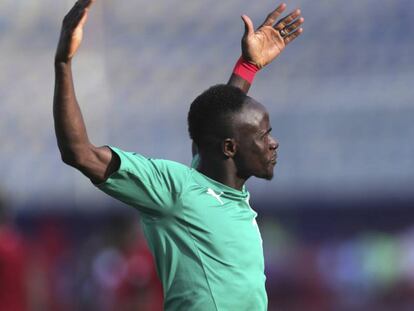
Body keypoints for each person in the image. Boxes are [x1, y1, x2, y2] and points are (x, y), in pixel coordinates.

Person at [53, 0, 304, 310]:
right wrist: (63, 63)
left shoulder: (222, 185)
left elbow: (218, 123)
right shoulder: (175, 189)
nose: (273, 143)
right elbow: (79, 152)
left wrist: (247, 67)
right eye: (264, 135)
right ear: (229, 148)